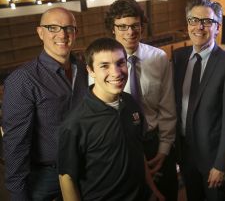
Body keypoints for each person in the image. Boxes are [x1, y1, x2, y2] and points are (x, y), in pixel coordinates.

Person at [58, 37, 164, 201]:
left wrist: (152, 189)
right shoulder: (75, 123)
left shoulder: (131, 103)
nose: (116, 72)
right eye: (104, 66)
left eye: (120, 63)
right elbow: (67, 178)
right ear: (90, 70)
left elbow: (138, 151)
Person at [2, 7, 87, 200]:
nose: (62, 34)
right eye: (53, 28)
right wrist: (18, 195)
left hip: (86, 168)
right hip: (47, 178)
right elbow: (16, 145)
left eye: (68, 28)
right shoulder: (22, 80)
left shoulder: (83, 70)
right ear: (40, 33)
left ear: (76, 33)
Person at [172, 0, 225, 201]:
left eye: (207, 21)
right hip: (185, 154)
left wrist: (222, 165)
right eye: (193, 20)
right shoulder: (178, 58)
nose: (199, 26)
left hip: (213, 160)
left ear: (217, 27)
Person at [104, 0, 178, 200]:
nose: (130, 32)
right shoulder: (101, 64)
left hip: (154, 143)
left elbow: (167, 108)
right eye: (123, 27)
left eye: (135, 25)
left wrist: (164, 149)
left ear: (142, 26)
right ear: (113, 29)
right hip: (123, 148)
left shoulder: (159, 57)